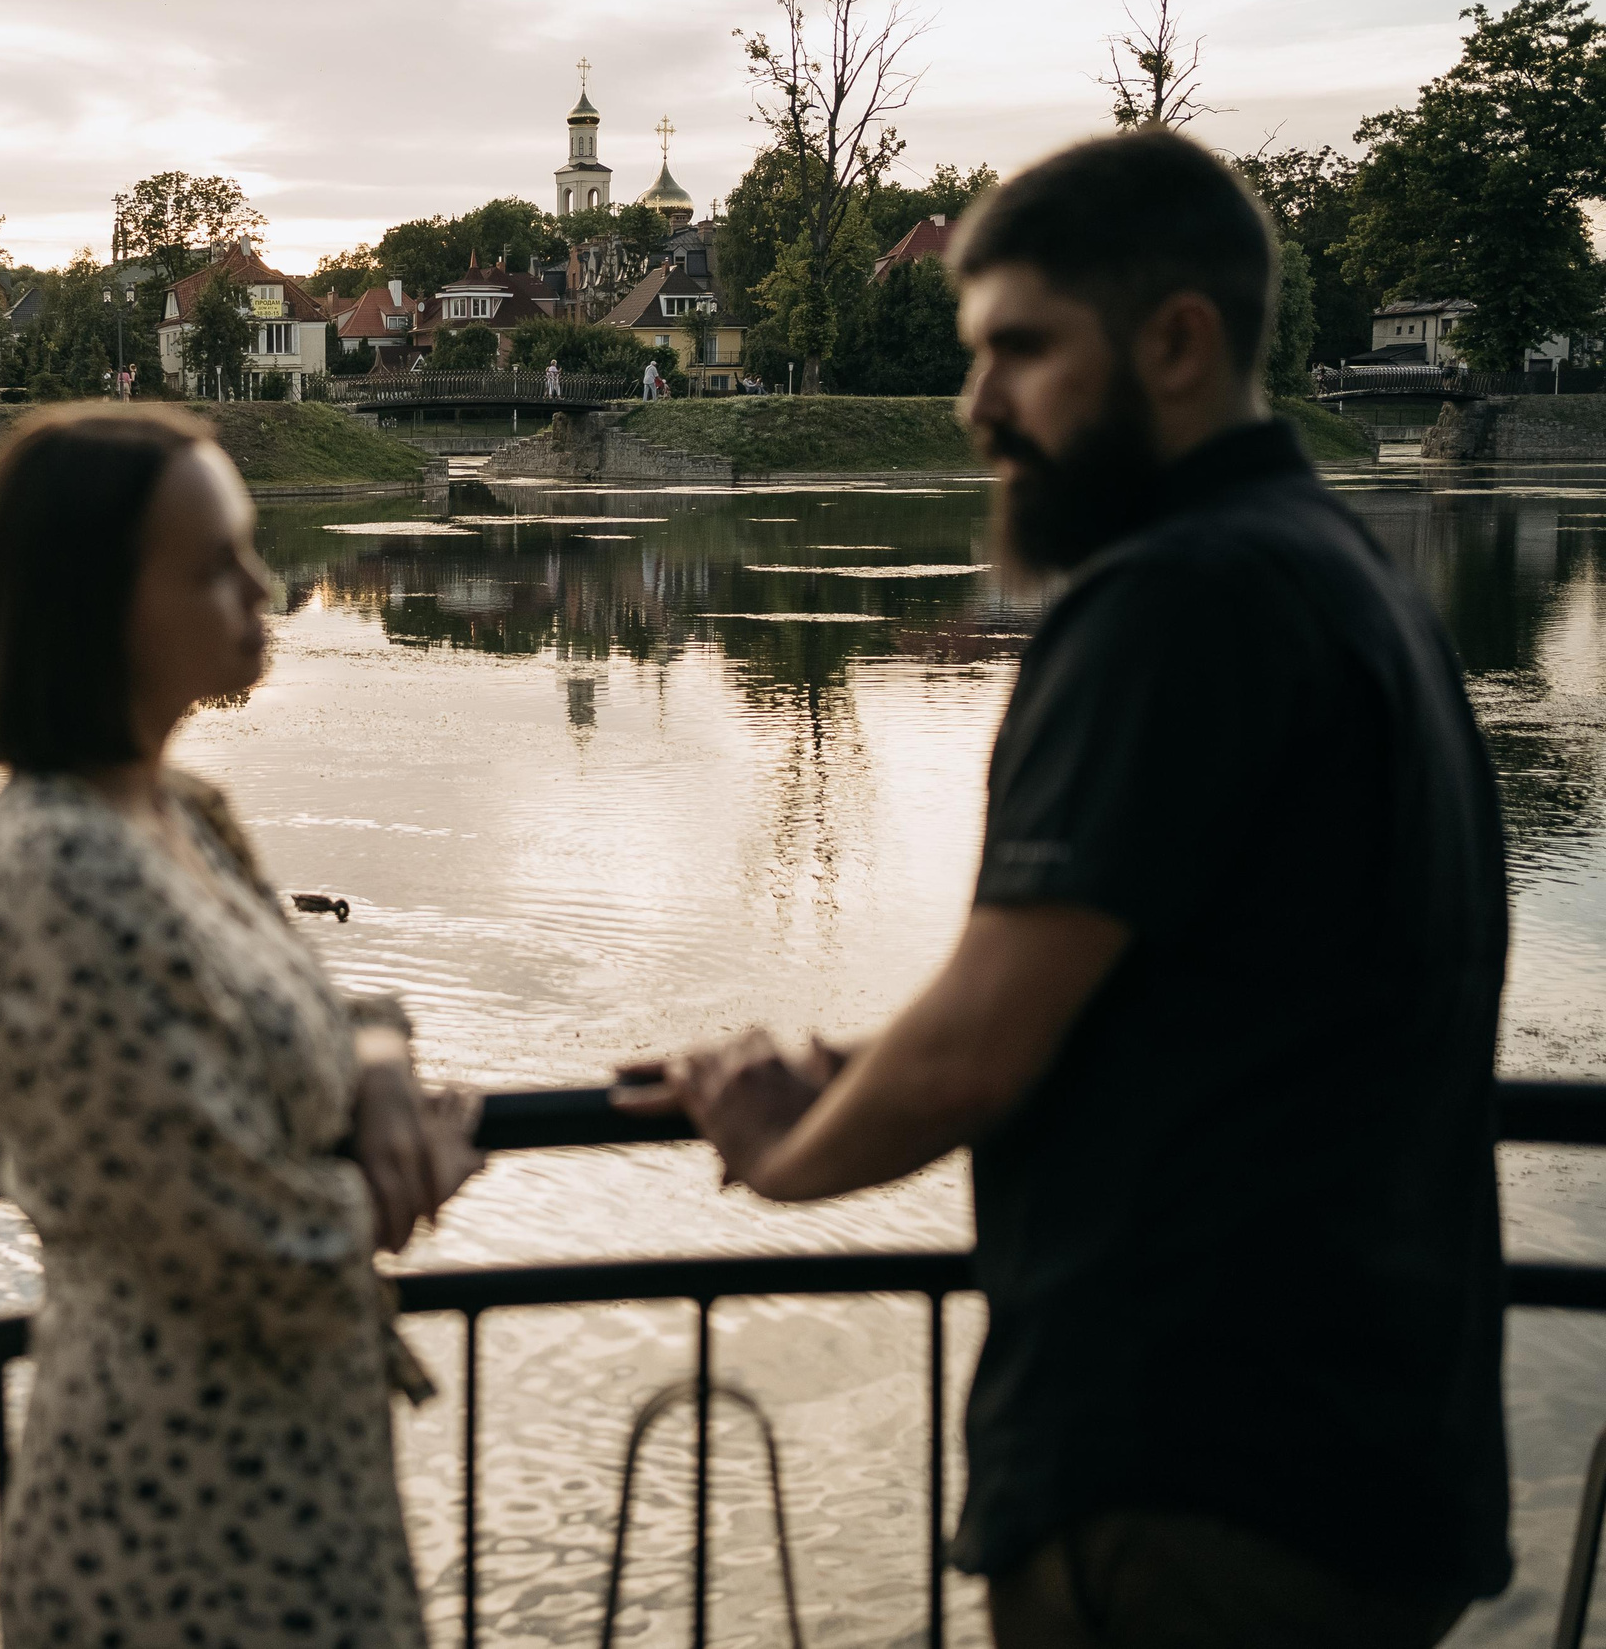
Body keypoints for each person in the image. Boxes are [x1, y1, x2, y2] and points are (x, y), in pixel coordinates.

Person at [619, 130, 1509, 1649]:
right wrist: (855, 1062)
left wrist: (784, 1146)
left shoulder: (1169, 600)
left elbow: (983, 1038)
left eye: (1019, 349)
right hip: (1375, 1452)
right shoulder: (1348, 579)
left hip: (1188, 1484)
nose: (976, 409)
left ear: (1177, 341)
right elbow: (1180, 991)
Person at [0, 406, 482, 1649]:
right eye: (213, 566)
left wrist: (381, 1062)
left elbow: (299, 1010)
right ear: (95, 609)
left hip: (298, 1484)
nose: (262, 586)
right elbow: (230, 1235)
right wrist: (417, 1181)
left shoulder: (180, 811)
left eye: (252, 549)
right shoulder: (52, 864)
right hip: (172, 1528)